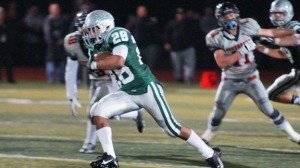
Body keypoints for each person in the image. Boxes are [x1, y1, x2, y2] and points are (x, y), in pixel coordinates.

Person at [81, 10, 223, 168]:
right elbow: (100, 62)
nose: (90, 33)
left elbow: (118, 61)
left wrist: (96, 63)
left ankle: (209, 153)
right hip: (126, 91)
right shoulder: (95, 46)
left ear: (105, 26)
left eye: (93, 29)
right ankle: (110, 158)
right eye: (89, 30)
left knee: (172, 129)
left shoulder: (118, 33)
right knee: (97, 111)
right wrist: (98, 61)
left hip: (145, 87)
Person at [201, 1, 300, 145]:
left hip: (251, 78)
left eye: (232, 13)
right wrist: (243, 50)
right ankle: (209, 134)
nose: (230, 18)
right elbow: (222, 62)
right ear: (219, 18)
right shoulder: (215, 36)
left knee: (269, 109)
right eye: (226, 15)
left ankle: (295, 137)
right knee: (219, 111)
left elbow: (272, 33)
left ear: (237, 14)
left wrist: (294, 32)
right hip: (230, 80)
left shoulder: (249, 25)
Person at [64, 11, 145, 154]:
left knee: (95, 111)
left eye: (90, 28)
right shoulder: (73, 42)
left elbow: (118, 66)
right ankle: (134, 114)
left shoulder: (107, 41)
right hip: (95, 80)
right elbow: (70, 69)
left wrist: (116, 92)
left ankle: (89, 143)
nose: (86, 31)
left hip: (114, 77)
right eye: (83, 28)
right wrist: (71, 94)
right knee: (105, 113)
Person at [256, 0, 300, 107]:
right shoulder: (281, 30)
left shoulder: (293, 26)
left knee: (272, 93)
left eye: (281, 13)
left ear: (289, 13)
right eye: (275, 13)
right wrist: (264, 49)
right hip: (297, 70)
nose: (277, 16)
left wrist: (271, 40)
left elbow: (293, 40)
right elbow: (284, 54)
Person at [164, 8, 200, 84]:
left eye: (181, 14)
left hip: (188, 48)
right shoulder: (172, 23)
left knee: (190, 65)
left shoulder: (189, 22)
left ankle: (188, 79)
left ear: (184, 14)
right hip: (175, 48)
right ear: (176, 14)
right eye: (178, 14)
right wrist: (167, 43)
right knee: (176, 66)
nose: (180, 15)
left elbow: (195, 32)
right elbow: (167, 33)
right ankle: (178, 79)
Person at [127, 5, 160, 69]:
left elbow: (156, 33)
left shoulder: (151, 20)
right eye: (140, 11)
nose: (141, 12)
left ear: (146, 12)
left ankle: (148, 78)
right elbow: (128, 32)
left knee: (150, 65)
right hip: (137, 46)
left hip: (149, 46)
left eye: (143, 11)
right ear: (137, 12)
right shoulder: (133, 21)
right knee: (136, 65)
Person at [43, 3, 69, 84]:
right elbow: (47, 32)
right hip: (52, 45)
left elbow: (66, 30)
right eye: (53, 9)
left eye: (56, 8)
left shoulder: (63, 19)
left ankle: (61, 78)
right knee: (50, 61)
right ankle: (51, 79)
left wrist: (63, 40)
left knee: (61, 61)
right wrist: (54, 41)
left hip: (62, 44)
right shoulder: (48, 20)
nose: (55, 10)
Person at [0, 6, 15, 83]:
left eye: (2, 14)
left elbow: (9, 35)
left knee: (8, 63)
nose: (1, 15)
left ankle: (10, 79)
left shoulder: (6, 24)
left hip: (5, 47)